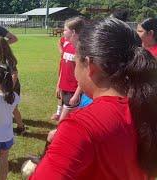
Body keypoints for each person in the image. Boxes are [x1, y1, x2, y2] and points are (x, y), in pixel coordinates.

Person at [30, 18, 157, 179]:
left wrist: (58, 146)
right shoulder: (146, 105)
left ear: (90, 66)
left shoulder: (81, 126)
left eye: (76, 61)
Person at [0, 36, 25, 134]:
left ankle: (21, 127)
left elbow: (14, 74)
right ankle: (6, 126)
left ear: (2, 49)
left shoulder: (8, 60)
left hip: (11, 87)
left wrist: (9, 88)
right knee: (7, 108)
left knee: (13, 108)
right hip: (2, 88)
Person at [55, 16, 85, 121]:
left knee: (63, 121)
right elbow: (63, 68)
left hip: (73, 90)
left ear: (73, 32)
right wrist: (59, 85)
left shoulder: (80, 50)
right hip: (64, 88)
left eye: (65, 30)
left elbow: (84, 76)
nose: (63, 32)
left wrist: (77, 94)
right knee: (67, 119)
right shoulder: (67, 46)